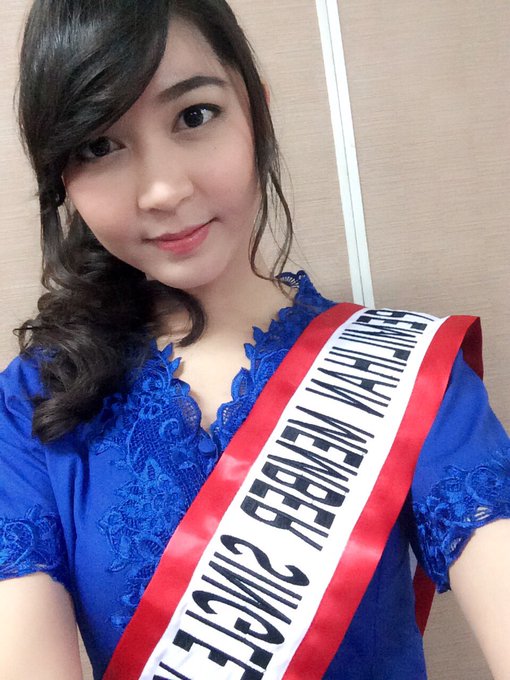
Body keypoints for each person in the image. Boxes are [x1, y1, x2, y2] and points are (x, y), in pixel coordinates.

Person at [0, 1, 509, 678]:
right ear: (64, 175)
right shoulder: (33, 405)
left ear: (255, 112)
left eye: (194, 115)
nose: (163, 189)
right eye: (99, 145)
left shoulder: (413, 377)